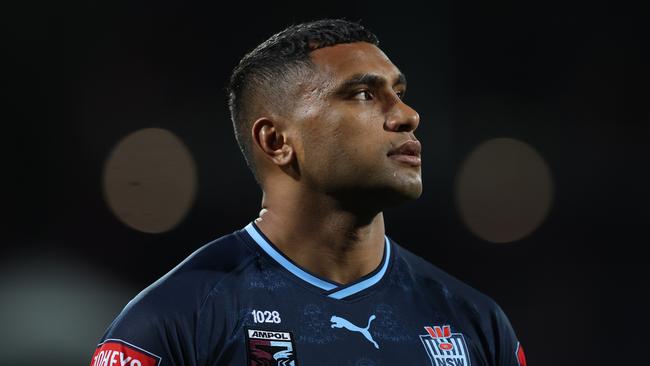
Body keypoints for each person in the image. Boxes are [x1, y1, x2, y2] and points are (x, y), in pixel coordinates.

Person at [90, 19, 527, 366]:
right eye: (362, 94)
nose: (407, 115)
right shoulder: (176, 320)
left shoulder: (473, 323)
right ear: (277, 142)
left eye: (399, 93)